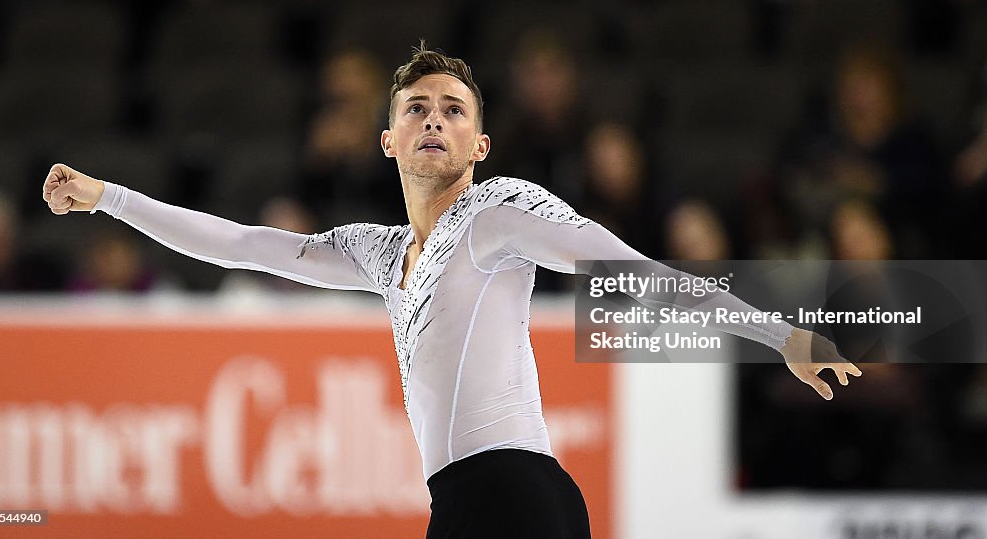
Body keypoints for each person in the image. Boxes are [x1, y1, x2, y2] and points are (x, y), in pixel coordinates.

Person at [42, 43, 860, 538]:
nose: (435, 119)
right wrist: (110, 197)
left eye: (454, 109)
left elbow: (634, 271)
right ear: (388, 137)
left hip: (518, 502)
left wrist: (779, 336)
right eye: (418, 108)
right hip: (463, 507)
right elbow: (245, 246)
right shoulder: (377, 251)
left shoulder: (499, 213)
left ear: (481, 140)